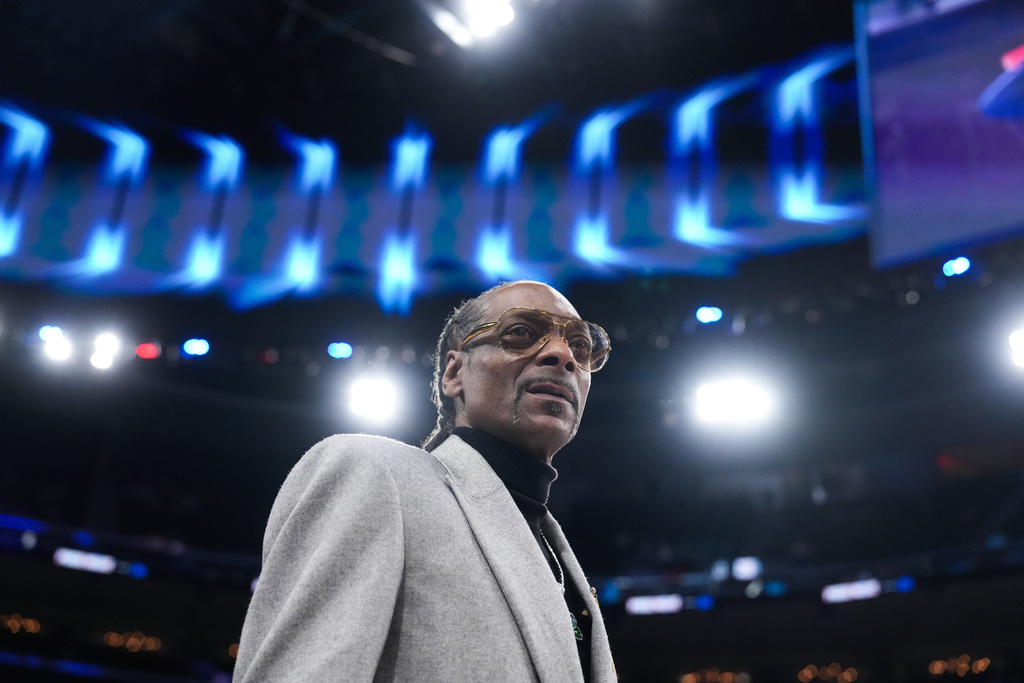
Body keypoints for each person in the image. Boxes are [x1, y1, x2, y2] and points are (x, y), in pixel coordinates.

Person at [233, 280, 616, 682]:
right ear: (454, 373)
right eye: (521, 332)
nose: (562, 355)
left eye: (580, 345)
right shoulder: (373, 471)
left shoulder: (558, 554)